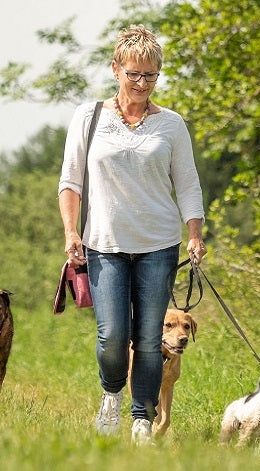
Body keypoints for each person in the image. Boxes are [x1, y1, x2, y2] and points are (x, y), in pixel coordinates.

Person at [57, 24, 207, 445]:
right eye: (133, 74)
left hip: (159, 244)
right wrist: (71, 232)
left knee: (147, 337)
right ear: (115, 69)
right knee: (112, 336)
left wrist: (194, 233)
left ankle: (142, 418)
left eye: (151, 76)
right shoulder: (88, 118)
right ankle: (111, 394)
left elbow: (189, 183)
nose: (141, 84)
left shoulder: (172, 125)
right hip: (103, 244)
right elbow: (71, 181)